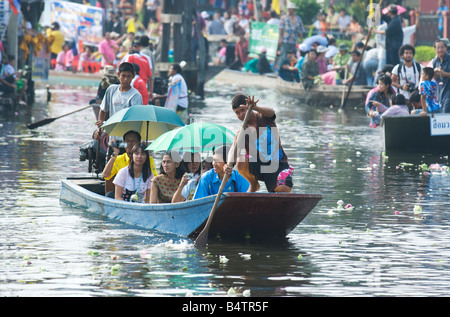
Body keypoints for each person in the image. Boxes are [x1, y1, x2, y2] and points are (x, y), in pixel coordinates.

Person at [231, 95, 294, 193]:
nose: (240, 115)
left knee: (283, 190)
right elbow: (234, 150)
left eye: (242, 110)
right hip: (257, 166)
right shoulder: (241, 132)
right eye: (237, 113)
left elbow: (272, 112)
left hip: (277, 163)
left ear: (249, 107)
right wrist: (228, 165)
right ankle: (253, 184)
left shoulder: (263, 116)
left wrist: (256, 107)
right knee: (241, 160)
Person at [103, 130, 158, 197]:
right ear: (123, 143)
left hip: (143, 196)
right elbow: (105, 175)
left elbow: (154, 180)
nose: (130, 143)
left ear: (138, 143)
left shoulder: (147, 159)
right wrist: (115, 153)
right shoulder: (118, 159)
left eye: (133, 141)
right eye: (127, 141)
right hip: (123, 196)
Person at [96, 62, 143, 129]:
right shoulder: (111, 89)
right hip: (112, 135)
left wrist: (105, 123)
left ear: (133, 76)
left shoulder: (135, 96)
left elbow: (135, 120)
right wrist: (99, 129)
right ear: (118, 75)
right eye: (123, 76)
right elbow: (103, 110)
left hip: (127, 135)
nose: (126, 79)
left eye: (128, 76)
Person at [278, 2, 305, 69]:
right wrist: (280, 38)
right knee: (283, 55)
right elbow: (280, 29)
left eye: (291, 9)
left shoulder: (298, 18)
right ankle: (281, 70)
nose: (290, 10)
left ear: (294, 10)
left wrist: (301, 40)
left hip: (294, 40)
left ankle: (292, 69)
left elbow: (300, 30)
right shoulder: (284, 18)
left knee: (293, 56)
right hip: (285, 40)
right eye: (289, 9)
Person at [433, 39, 450, 113]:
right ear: (435, 49)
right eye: (438, 48)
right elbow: (435, 78)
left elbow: (443, 74)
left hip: (448, 90)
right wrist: (434, 73)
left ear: (446, 48)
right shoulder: (435, 61)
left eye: (442, 47)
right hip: (439, 92)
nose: (440, 50)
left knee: (446, 111)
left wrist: (444, 74)